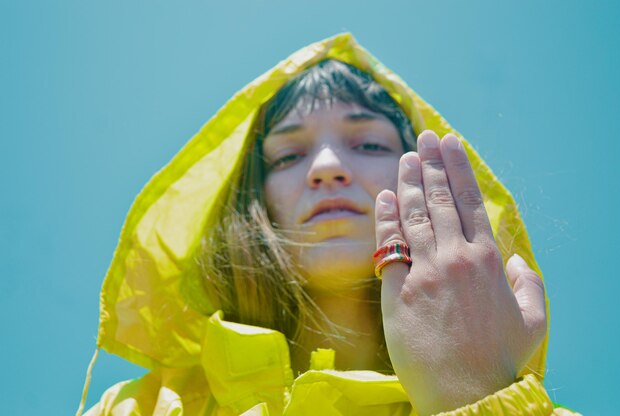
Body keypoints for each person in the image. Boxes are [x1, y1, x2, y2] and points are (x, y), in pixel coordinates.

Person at [78, 33, 579, 415]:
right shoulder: (141, 407)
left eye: (368, 144)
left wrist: (475, 390)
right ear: (254, 201)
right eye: (289, 154)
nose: (325, 167)